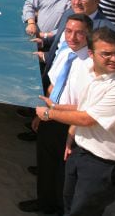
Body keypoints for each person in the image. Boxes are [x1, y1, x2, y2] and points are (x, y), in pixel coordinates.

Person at [36, 28, 115, 216]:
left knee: (83, 211)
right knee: (69, 205)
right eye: (106, 54)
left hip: (106, 164)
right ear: (91, 54)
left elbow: (87, 118)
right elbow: (85, 108)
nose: (114, 59)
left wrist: (50, 114)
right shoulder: (93, 72)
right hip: (81, 152)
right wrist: (68, 127)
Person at [18, 14, 94, 214]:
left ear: (89, 34)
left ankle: (58, 207)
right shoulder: (66, 52)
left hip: (71, 123)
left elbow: (85, 107)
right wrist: (42, 115)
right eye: (69, 31)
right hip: (51, 116)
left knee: (64, 172)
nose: (72, 37)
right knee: (46, 162)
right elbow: (53, 85)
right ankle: (44, 203)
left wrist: (54, 115)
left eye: (79, 33)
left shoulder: (91, 65)